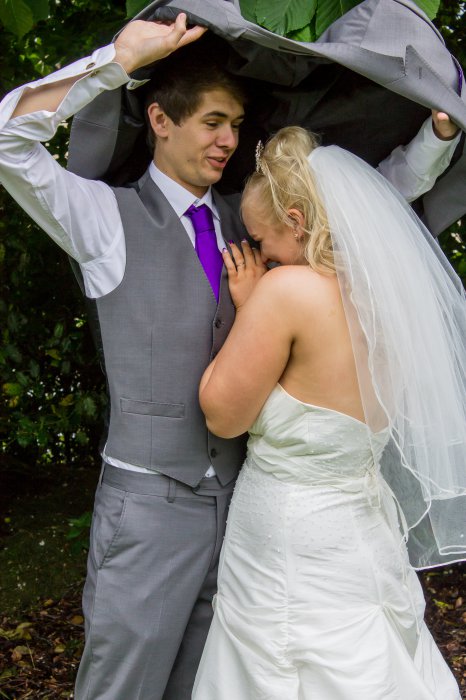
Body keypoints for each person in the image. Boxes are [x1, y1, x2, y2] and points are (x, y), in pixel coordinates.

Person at [0, 14, 461, 700]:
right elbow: (8, 142)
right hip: (152, 510)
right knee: (121, 688)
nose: (228, 141)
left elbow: (366, 204)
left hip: (252, 515)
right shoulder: (103, 220)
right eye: (213, 122)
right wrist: (116, 60)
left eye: (237, 126)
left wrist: (435, 140)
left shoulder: (248, 217)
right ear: (160, 120)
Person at [192, 126, 466, 699]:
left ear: (295, 221)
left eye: (261, 238)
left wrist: (250, 307)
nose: (259, 253)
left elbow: (223, 415)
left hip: (291, 538)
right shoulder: (385, 294)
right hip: (362, 529)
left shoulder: (287, 291)